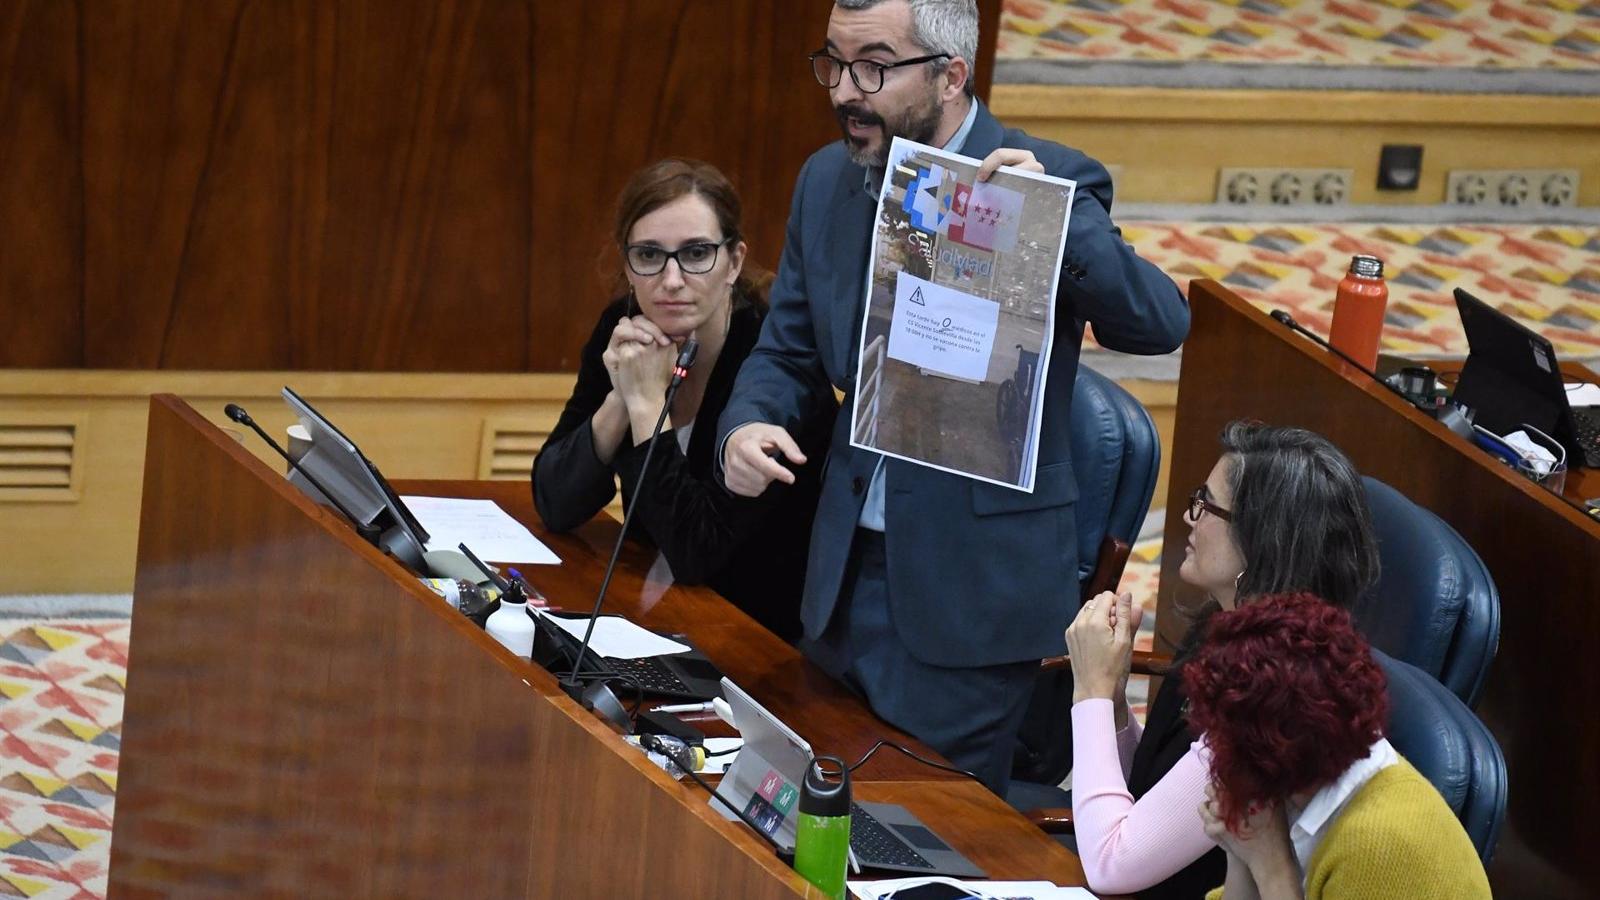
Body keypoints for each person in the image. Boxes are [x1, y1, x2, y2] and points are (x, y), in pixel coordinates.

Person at [716, 0, 1189, 795]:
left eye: (872, 67)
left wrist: (1054, 224)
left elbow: (1158, 321)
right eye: (832, 63)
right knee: (803, 823)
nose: (842, 92)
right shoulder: (828, 180)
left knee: (915, 842)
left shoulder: (1053, 177)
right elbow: (789, 347)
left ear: (950, 75)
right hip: (840, 586)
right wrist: (747, 419)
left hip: (970, 609)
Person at [1064, 422, 1381, 898]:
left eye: (1207, 505)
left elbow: (1111, 864)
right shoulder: (1225, 630)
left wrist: (1088, 689)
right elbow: (1154, 789)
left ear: (1260, 541)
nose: (1190, 518)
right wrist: (1111, 697)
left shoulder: (1275, 695)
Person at [532, 158, 833, 642]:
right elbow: (555, 502)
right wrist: (620, 398)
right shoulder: (624, 330)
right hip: (654, 615)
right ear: (628, 266)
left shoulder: (776, 368)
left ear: (733, 262)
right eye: (649, 256)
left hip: (754, 637)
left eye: (696, 254)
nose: (671, 280)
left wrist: (649, 407)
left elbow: (696, 551)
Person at [1189, 592, 1491, 899]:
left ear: (1265, 753)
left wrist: (1272, 867)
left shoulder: (1377, 845)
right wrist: (1241, 851)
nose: (1216, 747)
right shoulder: (1310, 782)